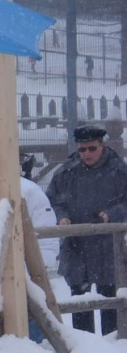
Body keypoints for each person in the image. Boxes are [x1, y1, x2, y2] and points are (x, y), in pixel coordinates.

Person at [0, 143, 59, 342]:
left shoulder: (29, 191)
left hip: (24, 270)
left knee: (31, 309)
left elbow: (46, 230)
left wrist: (42, 264)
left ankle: (35, 344)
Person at [47, 125, 127, 335]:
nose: (87, 154)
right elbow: (53, 199)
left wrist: (112, 214)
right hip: (77, 246)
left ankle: (113, 348)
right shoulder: (66, 171)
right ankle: (84, 348)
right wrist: (62, 217)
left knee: (110, 300)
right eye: (82, 150)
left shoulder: (119, 171)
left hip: (108, 246)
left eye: (92, 148)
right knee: (80, 302)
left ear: (102, 145)